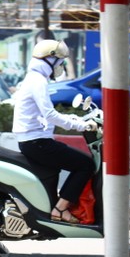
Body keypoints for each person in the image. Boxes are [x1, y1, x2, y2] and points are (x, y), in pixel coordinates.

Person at [12, 39, 97, 224]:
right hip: (37, 142)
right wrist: (79, 126)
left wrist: (75, 118)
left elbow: (45, 115)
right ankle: (60, 209)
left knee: (61, 165)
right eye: (60, 61)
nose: (61, 65)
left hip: (35, 140)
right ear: (49, 59)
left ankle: (53, 207)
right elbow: (49, 114)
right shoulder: (37, 80)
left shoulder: (34, 78)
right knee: (85, 165)